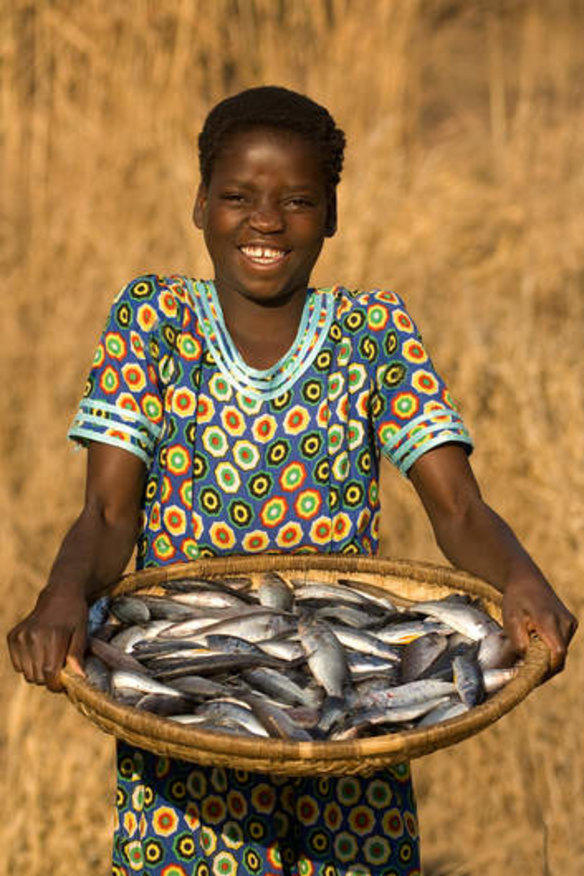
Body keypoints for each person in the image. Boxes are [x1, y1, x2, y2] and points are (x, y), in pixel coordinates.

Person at [7, 86, 576, 876]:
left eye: (298, 200)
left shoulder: (374, 329)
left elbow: (458, 504)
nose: (266, 221)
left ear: (333, 213)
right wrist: (63, 594)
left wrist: (521, 577)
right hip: (195, 705)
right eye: (238, 197)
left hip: (345, 715)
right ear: (201, 204)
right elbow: (107, 512)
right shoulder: (153, 320)